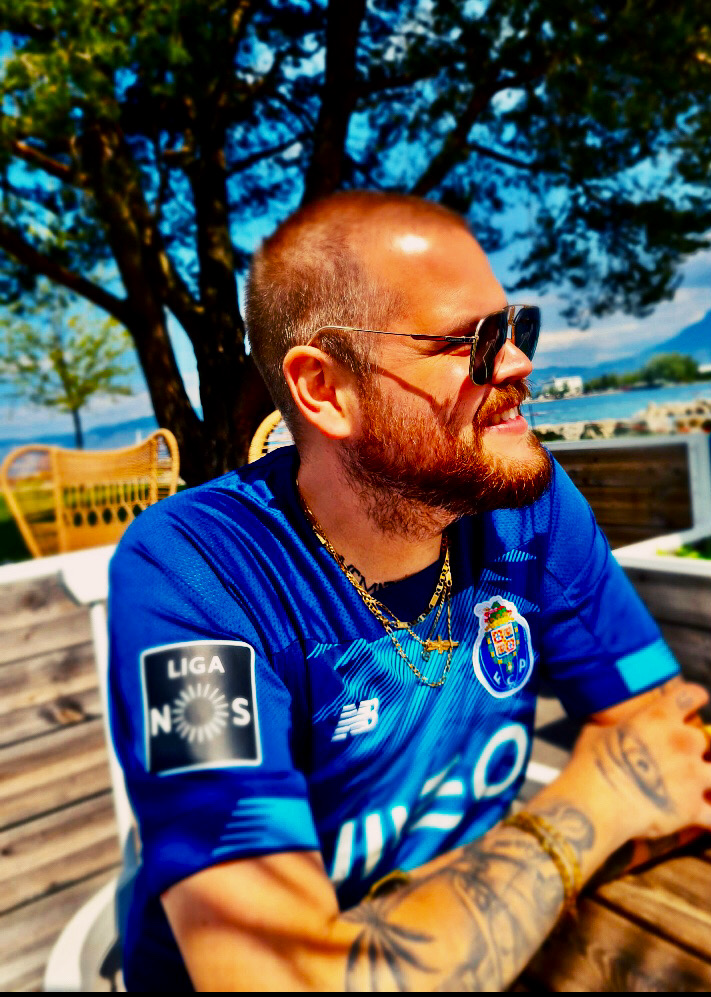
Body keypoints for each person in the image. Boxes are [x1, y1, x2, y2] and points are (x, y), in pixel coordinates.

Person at [108, 191, 711, 992]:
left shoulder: (521, 505)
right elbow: (274, 977)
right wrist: (593, 802)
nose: (517, 364)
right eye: (471, 341)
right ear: (325, 389)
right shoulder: (197, 570)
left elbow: (667, 744)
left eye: (515, 328)